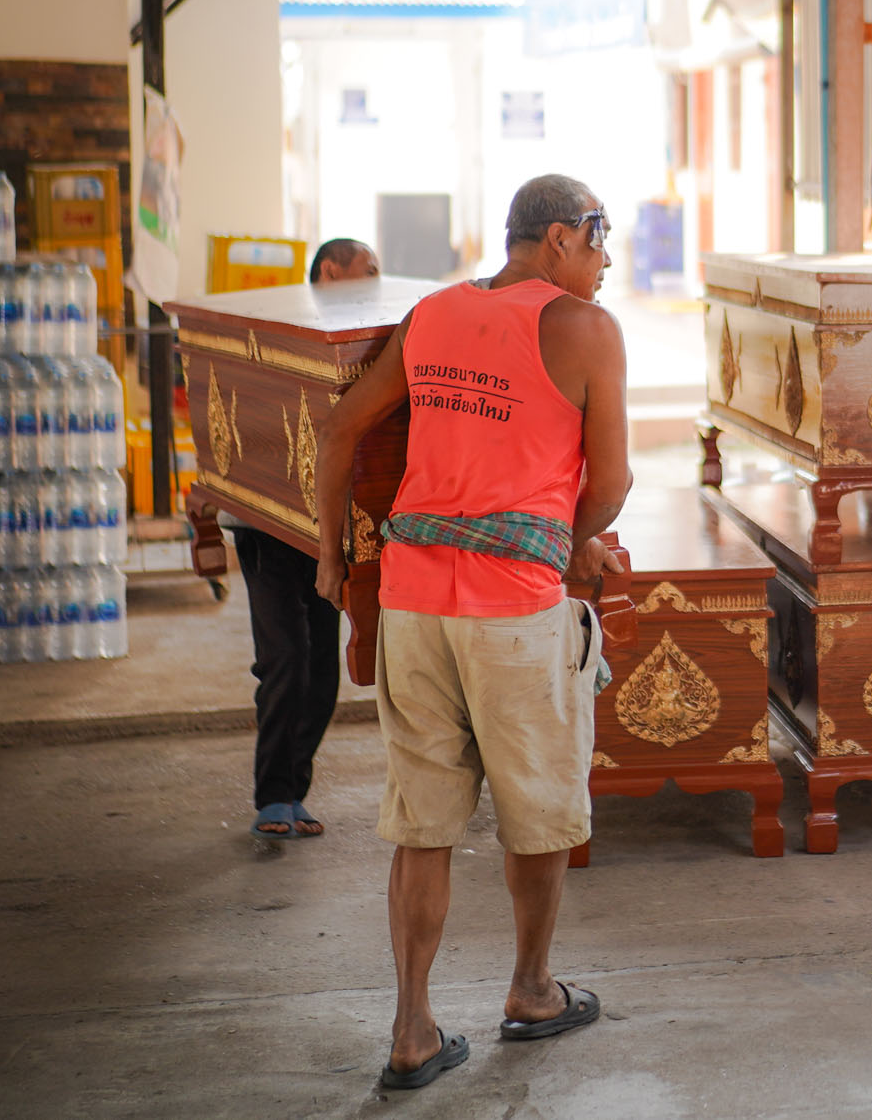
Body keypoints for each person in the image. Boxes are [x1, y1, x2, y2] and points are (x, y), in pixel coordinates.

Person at [313, 175, 630, 1091]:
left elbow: (339, 431)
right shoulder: (586, 330)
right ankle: (531, 989)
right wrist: (564, 543)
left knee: (422, 824)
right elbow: (611, 484)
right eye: (600, 240)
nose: (606, 262)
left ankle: (412, 1031)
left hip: (413, 601)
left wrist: (333, 558)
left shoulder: (433, 314)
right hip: (513, 611)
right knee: (537, 814)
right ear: (561, 237)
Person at [234, 236, 382, 840]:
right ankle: (273, 794)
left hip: (326, 529)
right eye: (368, 269)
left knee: (322, 670)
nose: (377, 279)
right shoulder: (286, 328)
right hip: (267, 523)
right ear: (332, 271)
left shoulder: (357, 342)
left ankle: (294, 790)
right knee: (285, 659)